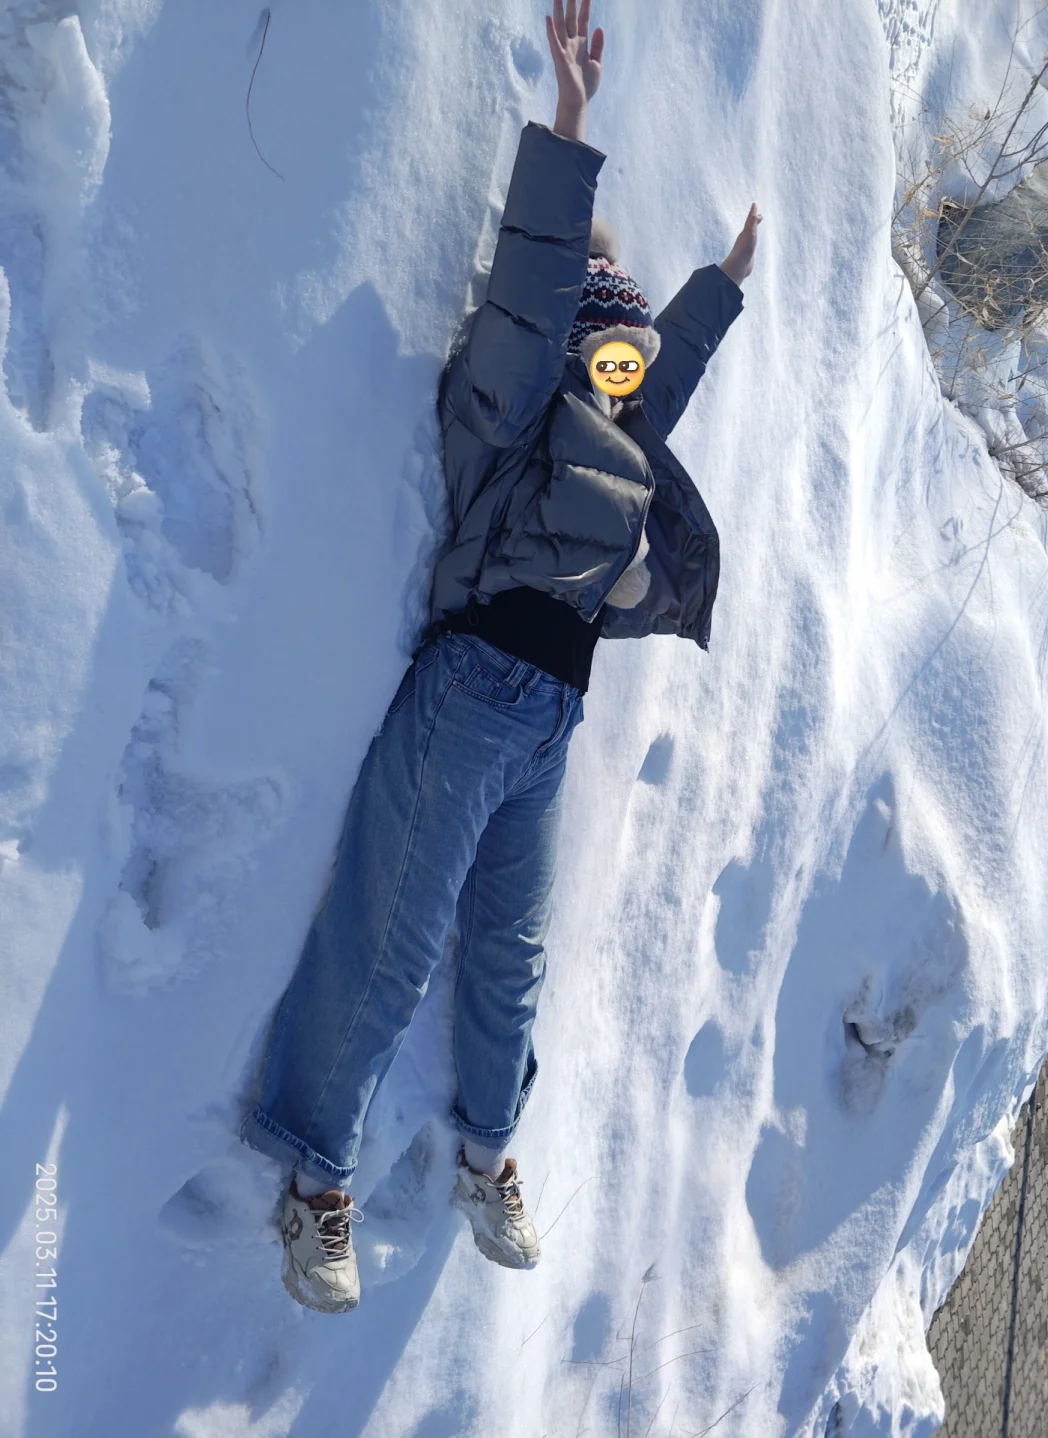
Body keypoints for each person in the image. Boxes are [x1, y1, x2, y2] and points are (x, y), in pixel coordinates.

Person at [239, 0, 760, 1315]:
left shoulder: (612, 425)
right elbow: (535, 277)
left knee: (509, 954)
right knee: (396, 936)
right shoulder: (509, 389)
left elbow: (659, 391)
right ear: (577, 327)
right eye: (618, 333)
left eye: (634, 346)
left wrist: (717, 298)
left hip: (547, 723)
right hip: (472, 689)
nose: (630, 365)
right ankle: (315, 1179)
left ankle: (486, 1150)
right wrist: (573, 125)